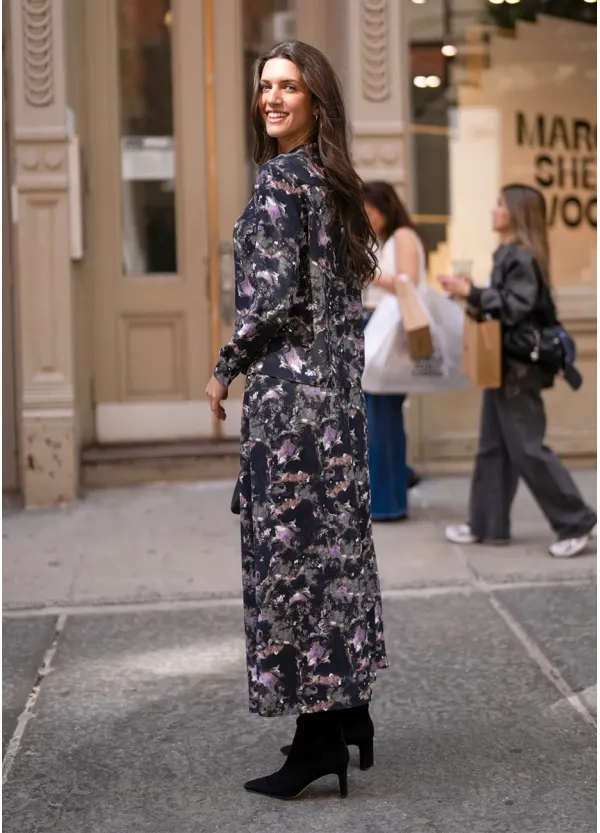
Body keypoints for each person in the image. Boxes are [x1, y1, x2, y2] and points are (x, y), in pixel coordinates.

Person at [205, 41, 388, 800]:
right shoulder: (333, 181)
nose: (272, 99)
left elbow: (273, 300)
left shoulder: (282, 180)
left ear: (317, 101)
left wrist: (224, 366)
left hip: (290, 410)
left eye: (288, 87)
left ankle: (317, 741)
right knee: (334, 563)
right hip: (339, 409)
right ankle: (347, 709)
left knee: (295, 572)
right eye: (265, 86)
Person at [438, 184, 596, 558]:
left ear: (515, 213)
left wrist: (472, 291)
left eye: (499, 205)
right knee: (493, 446)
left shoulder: (521, 257)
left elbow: (515, 308)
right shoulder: (510, 254)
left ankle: (576, 520)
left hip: (519, 367)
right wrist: (469, 294)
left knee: (527, 448)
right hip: (504, 364)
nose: (493, 211)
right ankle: (486, 524)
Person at [362, 181, 426, 521]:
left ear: (386, 210)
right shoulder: (387, 239)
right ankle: (390, 492)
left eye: (370, 212)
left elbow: (408, 283)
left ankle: (387, 503)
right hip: (376, 329)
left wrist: (367, 270)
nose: (366, 218)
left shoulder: (402, 237)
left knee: (381, 418)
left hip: (388, 332)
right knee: (380, 417)